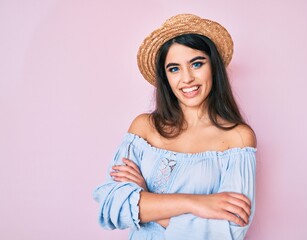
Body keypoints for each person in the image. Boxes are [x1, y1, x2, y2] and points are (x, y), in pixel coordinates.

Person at [93, 13, 257, 240]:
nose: (187, 78)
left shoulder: (238, 139)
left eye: (197, 64)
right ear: (166, 77)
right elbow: (113, 206)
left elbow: (228, 231)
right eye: (174, 69)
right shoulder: (144, 128)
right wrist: (197, 203)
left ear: (214, 67)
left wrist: (145, 199)